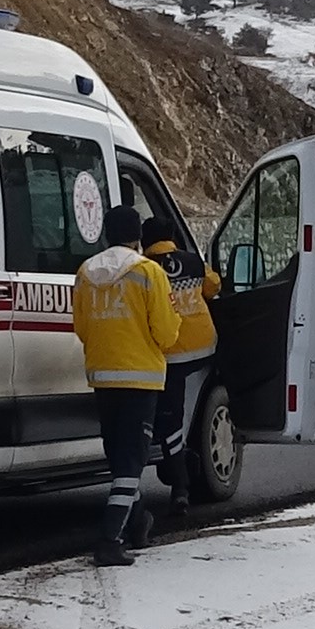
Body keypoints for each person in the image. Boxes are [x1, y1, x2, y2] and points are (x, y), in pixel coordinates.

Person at [71, 205, 184, 566]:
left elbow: (81, 329)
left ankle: (137, 524)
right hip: (140, 379)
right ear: (137, 237)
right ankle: (109, 540)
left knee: (119, 456)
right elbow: (166, 333)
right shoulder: (149, 272)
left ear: (105, 234)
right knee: (131, 463)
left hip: (103, 378)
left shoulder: (85, 273)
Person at [147, 223, 217, 521]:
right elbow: (214, 286)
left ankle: (180, 483)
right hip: (205, 348)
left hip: (170, 355)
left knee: (170, 419)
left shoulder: (146, 267)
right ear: (173, 238)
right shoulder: (192, 261)